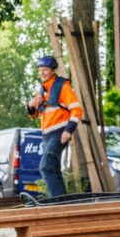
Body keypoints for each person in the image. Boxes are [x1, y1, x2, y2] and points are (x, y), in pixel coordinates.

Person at [26, 55, 83, 197]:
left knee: (45, 167)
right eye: (40, 70)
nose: (42, 73)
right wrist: (31, 105)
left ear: (52, 71)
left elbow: (77, 109)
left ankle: (56, 203)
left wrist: (68, 131)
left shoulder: (63, 86)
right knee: (54, 169)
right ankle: (62, 201)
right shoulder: (42, 90)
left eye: (45, 70)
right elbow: (34, 115)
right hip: (47, 135)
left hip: (59, 132)